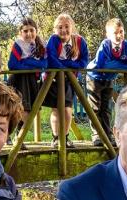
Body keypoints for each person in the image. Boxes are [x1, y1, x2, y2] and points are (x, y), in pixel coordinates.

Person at [86, 18, 127, 147]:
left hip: (108, 79)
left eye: (121, 31)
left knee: (106, 108)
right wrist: (120, 64)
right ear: (108, 35)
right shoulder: (105, 45)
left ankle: (107, 135)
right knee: (95, 107)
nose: (119, 35)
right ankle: (97, 135)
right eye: (115, 33)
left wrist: (113, 65)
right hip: (94, 77)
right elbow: (102, 65)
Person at [43, 13, 89, 148]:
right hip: (54, 79)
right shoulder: (53, 40)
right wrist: (67, 66)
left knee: (68, 109)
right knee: (56, 110)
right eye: (60, 27)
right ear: (55, 29)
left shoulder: (80, 42)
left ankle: (65, 136)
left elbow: (83, 62)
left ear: (72, 27)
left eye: (66, 26)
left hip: (70, 78)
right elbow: (51, 60)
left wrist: (67, 65)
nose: (63, 30)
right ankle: (56, 137)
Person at [7, 16, 47, 148]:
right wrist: (32, 66)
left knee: (31, 110)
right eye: (25, 31)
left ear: (36, 31)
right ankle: (13, 136)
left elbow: (44, 63)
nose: (29, 33)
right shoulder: (18, 44)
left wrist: (26, 62)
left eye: (31, 30)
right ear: (20, 33)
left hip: (33, 80)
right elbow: (12, 64)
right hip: (20, 79)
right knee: (21, 108)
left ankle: (19, 136)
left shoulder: (40, 45)